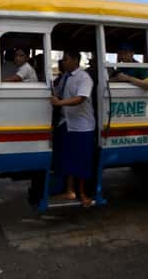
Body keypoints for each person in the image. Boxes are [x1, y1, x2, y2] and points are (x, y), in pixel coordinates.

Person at [50, 51, 95, 207]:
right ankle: (69, 191)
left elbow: (81, 98)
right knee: (67, 159)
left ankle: (83, 194)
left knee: (82, 161)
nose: (63, 62)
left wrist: (59, 103)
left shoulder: (84, 78)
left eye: (66, 59)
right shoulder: (64, 77)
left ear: (76, 60)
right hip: (66, 124)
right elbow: (58, 92)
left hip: (82, 126)